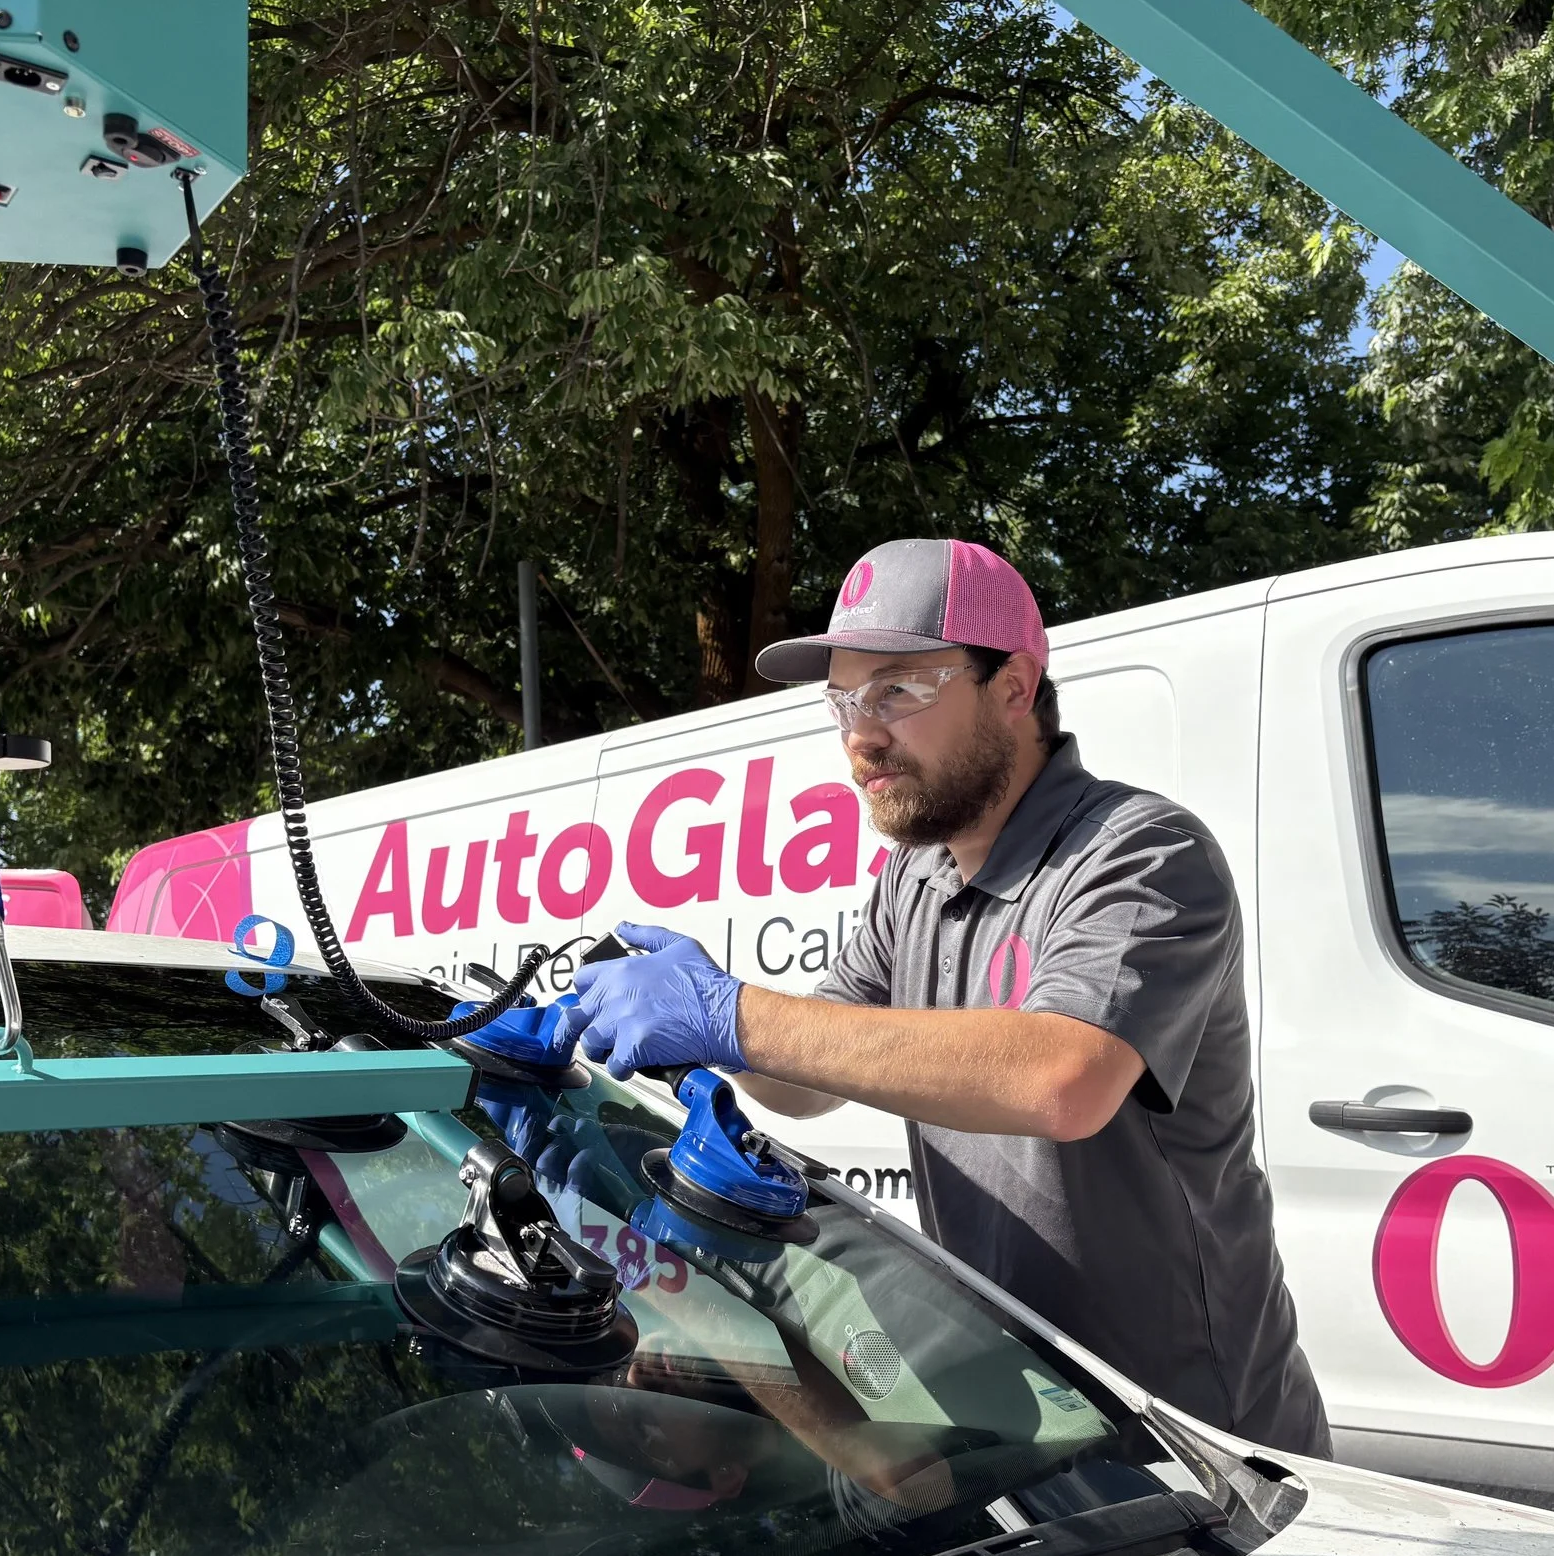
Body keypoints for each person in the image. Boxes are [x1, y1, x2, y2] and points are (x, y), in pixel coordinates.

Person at [560, 538, 1329, 1457]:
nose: (861, 735)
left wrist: (730, 1012)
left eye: (899, 690)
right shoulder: (912, 879)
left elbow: (1061, 1078)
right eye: (845, 700)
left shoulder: (1140, 852)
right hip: (1028, 1416)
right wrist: (708, 1030)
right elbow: (809, 1081)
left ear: (1013, 686)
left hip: (1200, 1441)